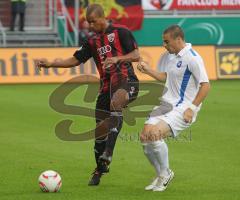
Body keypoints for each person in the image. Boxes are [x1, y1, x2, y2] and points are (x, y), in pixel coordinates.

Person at [37, 3, 140, 186]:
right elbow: (75, 59)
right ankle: (100, 169)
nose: (90, 26)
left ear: (103, 17)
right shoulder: (92, 41)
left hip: (127, 81)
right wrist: (51, 64)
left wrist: (117, 58)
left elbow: (136, 54)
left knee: (116, 104)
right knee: (100, 131)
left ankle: (109, 152)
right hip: (105, 87)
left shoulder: (121, 32)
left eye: (93, 22)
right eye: (88, 22)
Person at [137, 25, 210, 192]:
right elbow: (166, 77)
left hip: (183, 107)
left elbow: (205, 85)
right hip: (165, 103)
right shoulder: (171, 56)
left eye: (167, 42)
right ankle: (161, 174)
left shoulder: (193, 58)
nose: (164, 45)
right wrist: (148, 70)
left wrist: (192, 108)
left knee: (154, 135)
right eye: (163, 42)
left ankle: (166, 174)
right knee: (144, 137)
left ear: (178, 39)